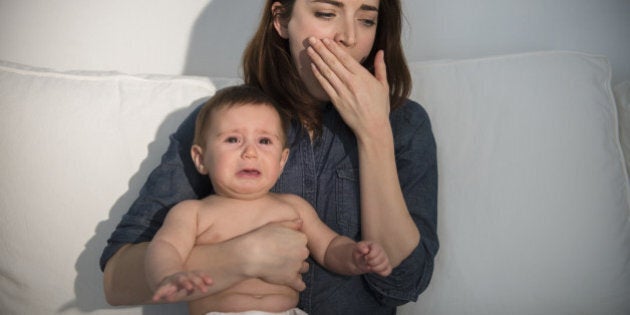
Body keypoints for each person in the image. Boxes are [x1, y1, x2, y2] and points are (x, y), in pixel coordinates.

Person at [101, 0, 439, 313]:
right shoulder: (227, 121)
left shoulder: (405, 125)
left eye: (366, 20)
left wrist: (374, 132)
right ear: (281, 20)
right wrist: (240, 257)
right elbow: (117, 283)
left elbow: (401, 286)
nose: (349, 37)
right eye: (326, 14)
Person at [145, 84, 392, 315]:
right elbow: (166, 247)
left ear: (282, 160)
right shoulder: (193, 213)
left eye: (264, 141)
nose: (250, 152)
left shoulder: (293, 208)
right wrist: (169, 275)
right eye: (233, 139)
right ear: (200, 159)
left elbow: (329, 248)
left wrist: (354, 255)